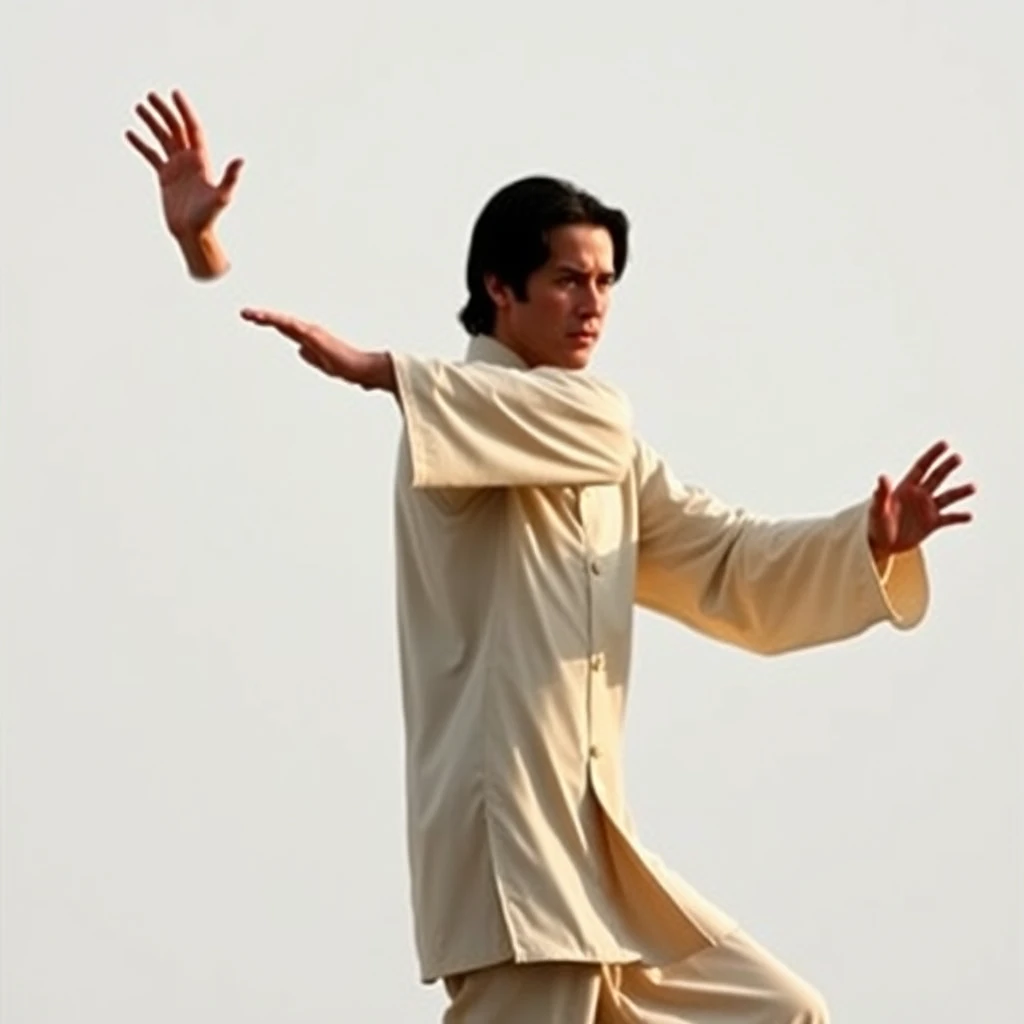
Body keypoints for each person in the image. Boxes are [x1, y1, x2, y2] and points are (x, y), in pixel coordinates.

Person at [127, 90, 975, 1023]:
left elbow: (728, 563)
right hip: (511, 859)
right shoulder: (461, 415)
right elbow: (333, 350)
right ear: (500, 287)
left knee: (783, 1011)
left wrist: (866, 539)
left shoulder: (594, 440)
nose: (594, 304)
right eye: (570, 279)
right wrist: (337, 341)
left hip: (597, 860)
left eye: (606, 281)